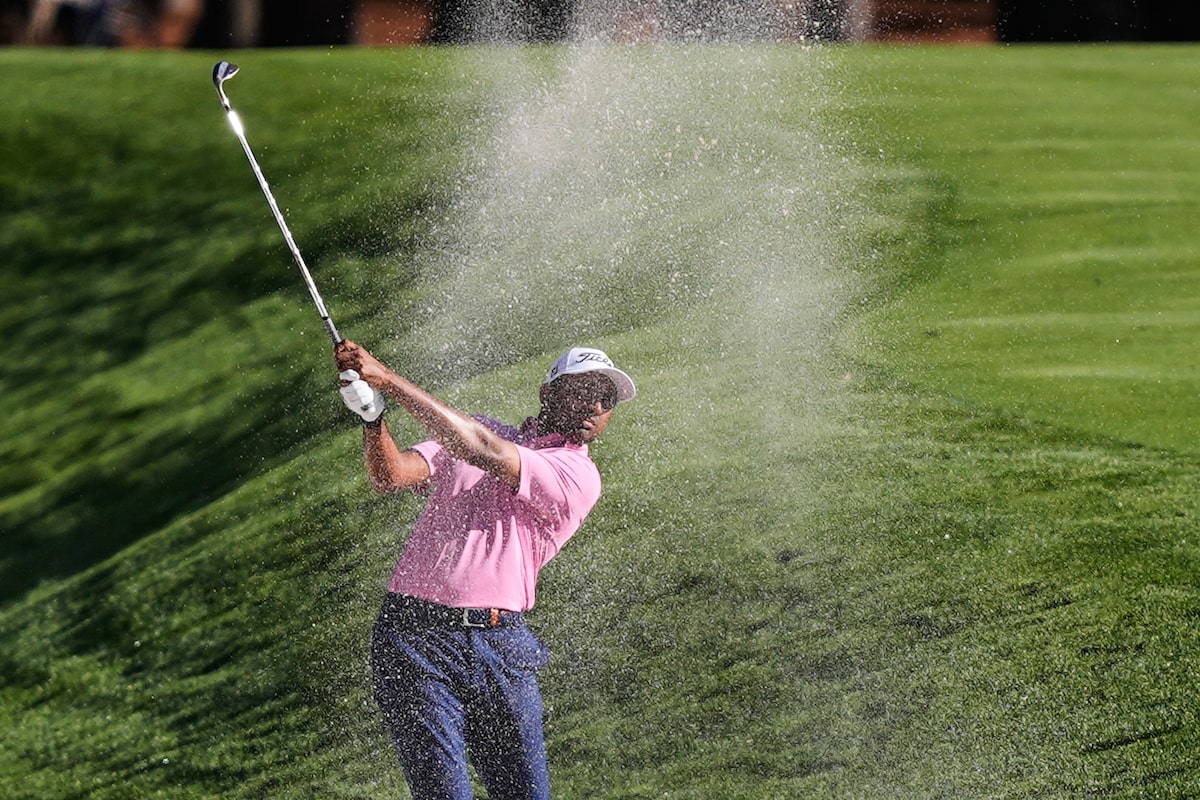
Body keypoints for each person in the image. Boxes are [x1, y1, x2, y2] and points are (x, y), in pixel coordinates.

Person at [334, 339, 636, 800]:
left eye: (607, 397)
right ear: (548, 393)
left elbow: (483, 450)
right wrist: (374, 420)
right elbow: (391, 475)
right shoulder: (479, 433)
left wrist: (387, 380)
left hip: (501, 647)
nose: (596, 404)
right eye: (586, 389)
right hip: (413, 641)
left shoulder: (576, 474)